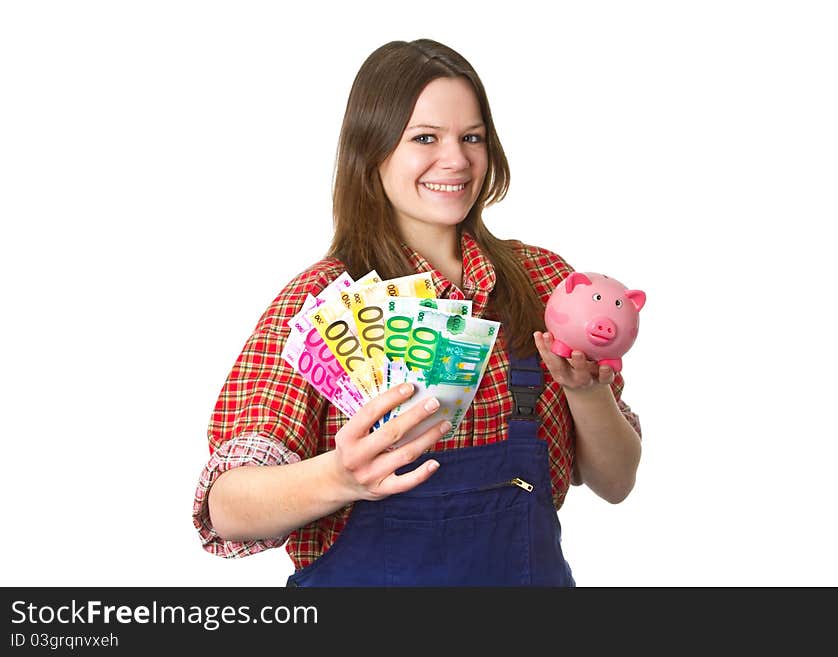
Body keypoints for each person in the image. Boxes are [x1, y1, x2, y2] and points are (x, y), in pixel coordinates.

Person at [192, 38, 642, 586]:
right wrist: (340, 476)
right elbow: (227, 509)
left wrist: (586, 392)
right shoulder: (324, 303)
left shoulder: (543, 284)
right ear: (372, 149)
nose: (456, 159)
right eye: (425, 137)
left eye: (471, 137)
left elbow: (616, 482)